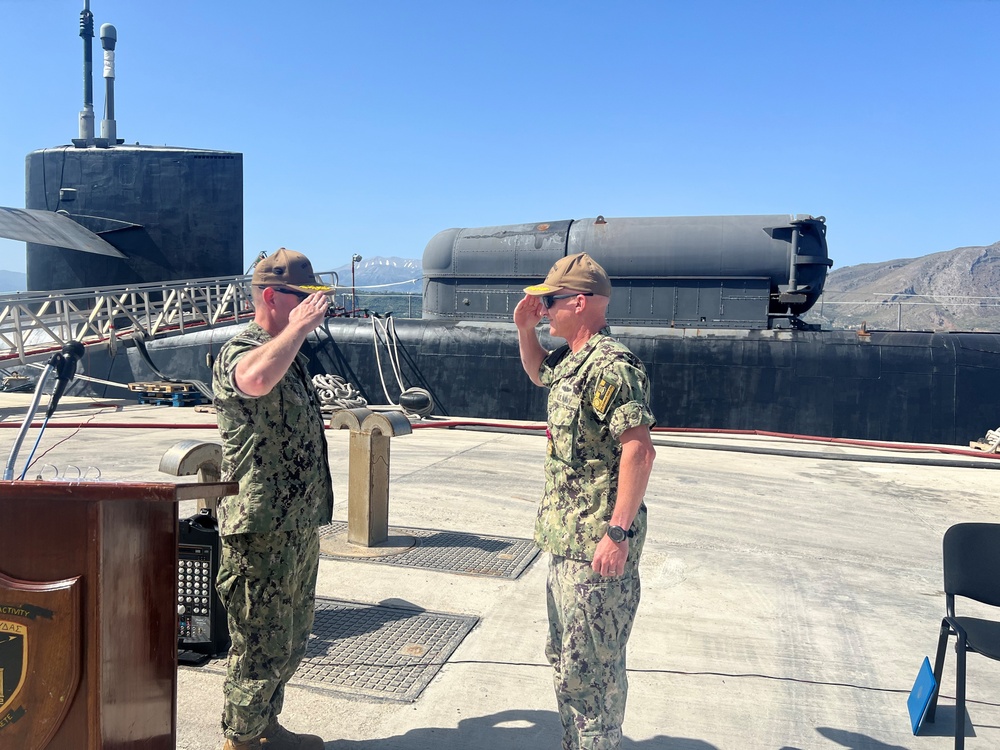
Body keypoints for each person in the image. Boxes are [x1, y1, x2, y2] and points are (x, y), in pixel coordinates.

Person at [513, 252, 657, 750]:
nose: (545, 309)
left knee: (593, 669)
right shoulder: (571, 361)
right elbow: (538, 375)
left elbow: (639, 449)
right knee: (566, 659)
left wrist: (617, 533)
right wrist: (524, 328)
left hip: (598, 547)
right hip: (566, 543)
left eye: (550, 302)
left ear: (580, 301)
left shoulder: (612, 367)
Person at [212, 247, 335, 750]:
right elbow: (255, 381)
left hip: (297, 523)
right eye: (303, 298)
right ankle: (239, 740)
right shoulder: (242, 350)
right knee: (257, 644)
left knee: (290, 639)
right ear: (271, 296)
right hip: (258, 525)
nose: (314, 306)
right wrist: (298, 329)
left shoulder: (293, 354)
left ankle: (266, 728)